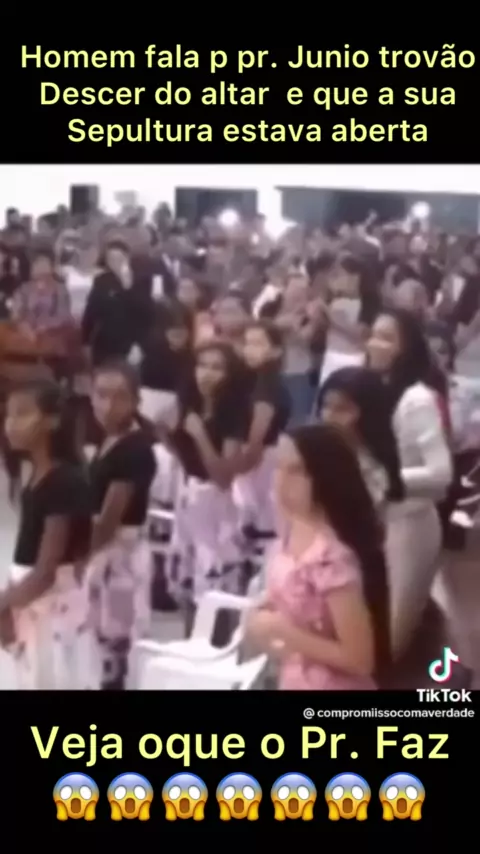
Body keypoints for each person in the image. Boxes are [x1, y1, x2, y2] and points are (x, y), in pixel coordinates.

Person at [246, 424, 390, 689]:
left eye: (296, 471)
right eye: (278, 467)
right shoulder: (289, 535)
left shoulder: (331, 558)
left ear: (323, 477)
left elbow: (359, 658)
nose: (281, 480)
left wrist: (283, 631)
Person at [367, 308, 453, 658]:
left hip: (409, 525)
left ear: (407, 348)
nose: (375, 344)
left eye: (387, 338)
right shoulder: (373, 390)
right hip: (377, 521)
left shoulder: (416, 400)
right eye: (374, 335)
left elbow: (441, 473)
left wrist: (383, 480)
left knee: (394, 633)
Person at [0, 379, 92, 689]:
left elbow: (46, 570)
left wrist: (5, 603)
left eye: (22, 414)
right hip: (32, 597)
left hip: (51, 603)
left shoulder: (63, 480)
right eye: (8, 414)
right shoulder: (36, 475)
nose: (11, 424)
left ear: (52, 420)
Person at [164, 341, 247, 639]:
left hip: (215, 504)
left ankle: (214, 648)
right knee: (187, 585)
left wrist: (200, 435)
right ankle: (190, 645)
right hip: (188, 498)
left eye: (216, 367)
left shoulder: (233, 416)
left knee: (212, 586)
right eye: (202, 365)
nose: (207, 374)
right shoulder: (189, 404)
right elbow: (174, 444)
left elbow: (223, 476)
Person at [86, 361, 156, 689]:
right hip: (107, 551)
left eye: (120, 397)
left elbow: (108, 521)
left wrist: (75, 557)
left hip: (118, 556)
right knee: (100, 645)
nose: (109, 405)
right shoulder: (111, 438)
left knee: (113, 650)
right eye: (101, 395)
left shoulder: (135, 450)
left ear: (136, 401)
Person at [233, 321, 290, 568]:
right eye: (247, 343)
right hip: (264, 457)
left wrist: (237, 468)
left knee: (260, 523)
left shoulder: (267, 386)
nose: (250, 349)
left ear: (276, 351)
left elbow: (257, 437)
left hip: (262, 460)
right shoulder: (257, 381)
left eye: (258, 343)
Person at [318, 366, 404, 514]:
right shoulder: (313, 452)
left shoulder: (373, 470)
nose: (329, 416)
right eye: (326, 406)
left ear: (369, 412)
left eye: (342, 409)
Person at [81, 241, 151, 367]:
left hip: (132, 342)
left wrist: (128, 288)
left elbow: (146, 313)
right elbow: (91, 312)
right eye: (111, 259)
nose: (115, 262)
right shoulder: (101, 280)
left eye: (119, 258)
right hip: (105, 341)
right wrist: (85, 341)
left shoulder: (141, 279)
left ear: (127, 258)